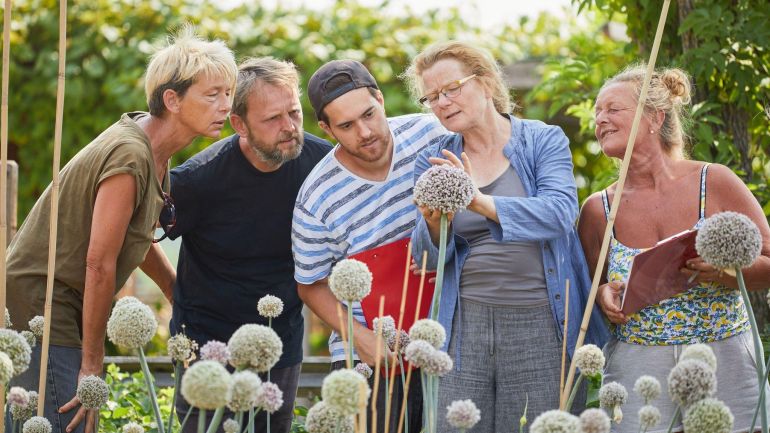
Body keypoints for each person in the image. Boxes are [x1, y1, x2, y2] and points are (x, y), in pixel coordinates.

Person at [4, 27, 237, 433]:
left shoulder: (154, 152)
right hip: (42, 299)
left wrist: (176, 291)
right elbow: (98, 262)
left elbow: (135, 235)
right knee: (69, 418)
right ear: (172, 99)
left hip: (65, 299)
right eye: (212, 94)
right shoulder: (130, 155)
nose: (225, 105)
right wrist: (93, 364)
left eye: (228, 93)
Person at [404, 40, 609, 431]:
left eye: (451, 89)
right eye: (431, 97)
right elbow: (424, 257)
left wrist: (478, 202)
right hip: (464, 325)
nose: (442, 103)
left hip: (542, 322)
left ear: (484, 82)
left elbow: (560, 212)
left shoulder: (542, 140)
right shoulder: (432, 160)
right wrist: (433, 223)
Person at [579, 65, 770, 432]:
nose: (600, 120)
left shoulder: (713, 181)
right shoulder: (597, 210)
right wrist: (603, 295)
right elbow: (590, 290)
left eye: (612, 109)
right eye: (596, 113)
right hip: (636, 366)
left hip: (725, 358)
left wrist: (725, 273)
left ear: (655, 117)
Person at [165, 57, 332, 433]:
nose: (289, 127)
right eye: (273, 119)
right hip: (205, 345)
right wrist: (169, 287)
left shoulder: (324, 166)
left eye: (294, 112)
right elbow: (137, 234)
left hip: (280, 343)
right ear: (238, 124)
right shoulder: (197, 180)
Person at [292, 59, 447, 432]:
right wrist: (360, 338)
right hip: (370, 357)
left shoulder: (431, 134)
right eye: (346, 125)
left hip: (445, 341)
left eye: (369, 114)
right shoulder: (315, 197)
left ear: (380, 99)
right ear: (326, 129)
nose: (364, 132)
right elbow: (309, 284)